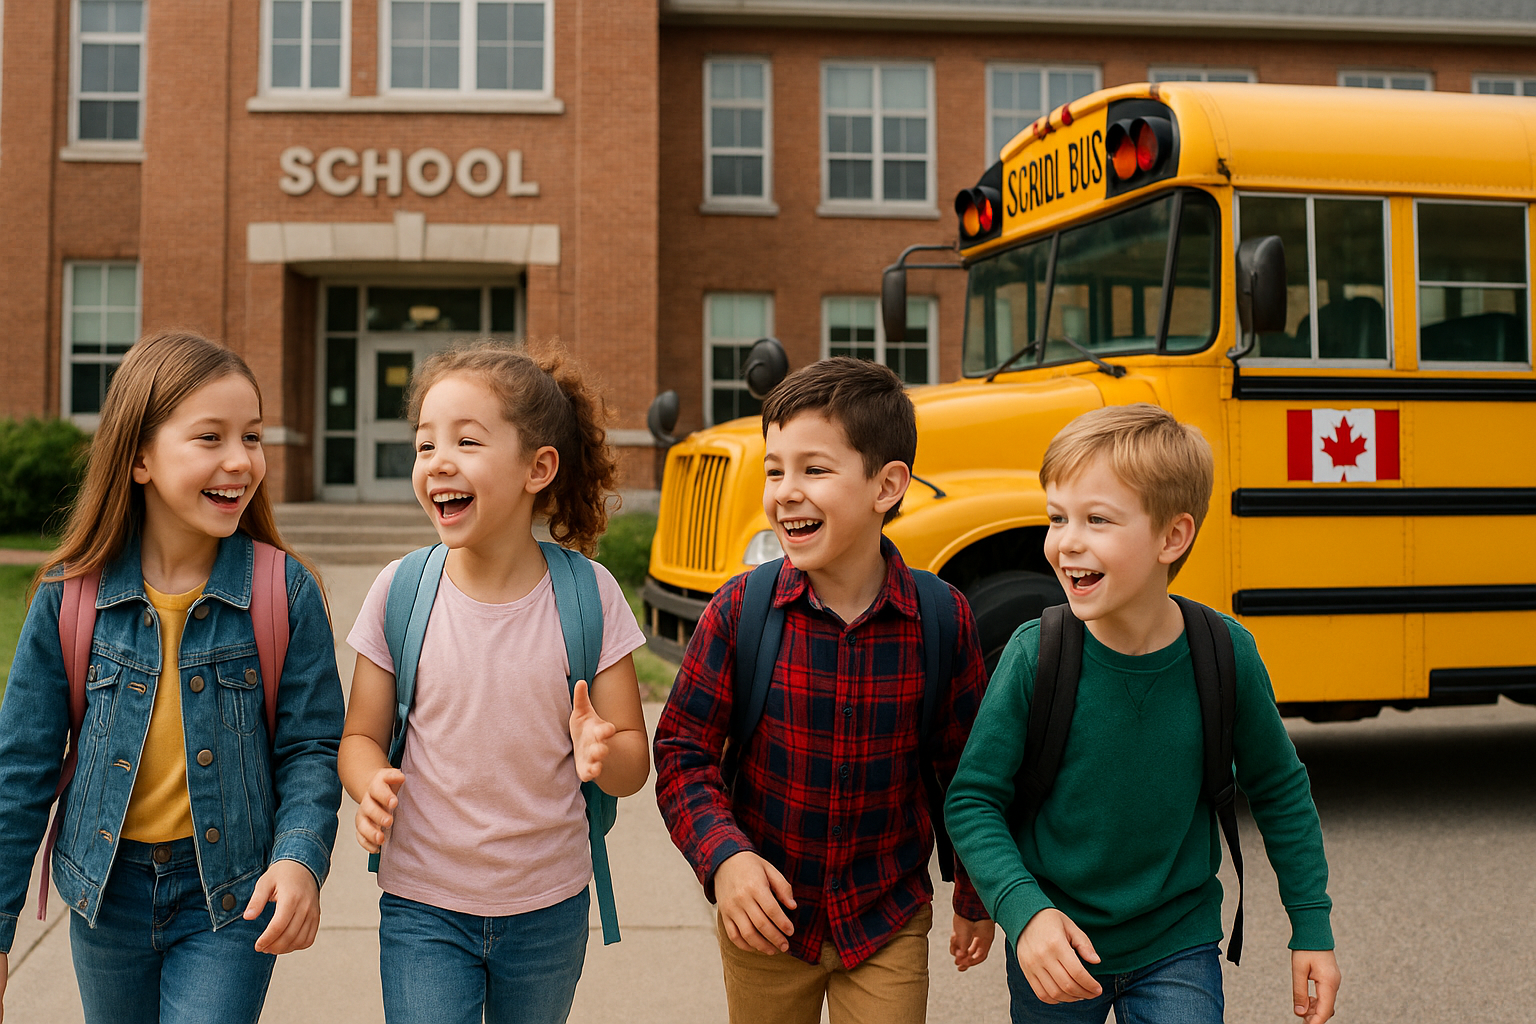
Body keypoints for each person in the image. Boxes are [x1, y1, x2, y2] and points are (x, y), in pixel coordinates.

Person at [944, 403, 1341, 1024]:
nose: (1066, 540)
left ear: (1172, 537)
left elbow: (1280, 790)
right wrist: (1024, 912)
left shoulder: (1224, 652)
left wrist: (1311, 928)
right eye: (1058, 517)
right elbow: (972, 800)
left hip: (1178, 944)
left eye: (1096, 519)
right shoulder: (1034, 653)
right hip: (1057, 945)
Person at [0, 330, 346, 1024]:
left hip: (231, 894)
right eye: (210, 438)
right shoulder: (70, 597)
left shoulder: (286, 593)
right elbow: (22, 767)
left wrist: (301, 859)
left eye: (251, 436)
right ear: (139, 459)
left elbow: (311, 748)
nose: (240, 461)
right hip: (106, 895)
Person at [654, 357, 996, 1024]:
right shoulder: (739, 611)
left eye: (814, 469)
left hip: (886, 918)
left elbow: (964, 771)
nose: (784, 490)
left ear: (887, 485)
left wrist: (974, 895)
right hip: (765, 920)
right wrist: (725, 858)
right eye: (775, 468)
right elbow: (681, 751)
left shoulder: (941, 618)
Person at [338, 342, 649, 1024]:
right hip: (423, 904)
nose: (438, 461)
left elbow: (632, 764)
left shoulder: (588, 595)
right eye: (425, 445)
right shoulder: (400, 592)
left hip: (549, 907)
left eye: (467, 440)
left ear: (538, 468)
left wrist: (604, 751)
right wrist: (370, 785)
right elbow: (359, 735)